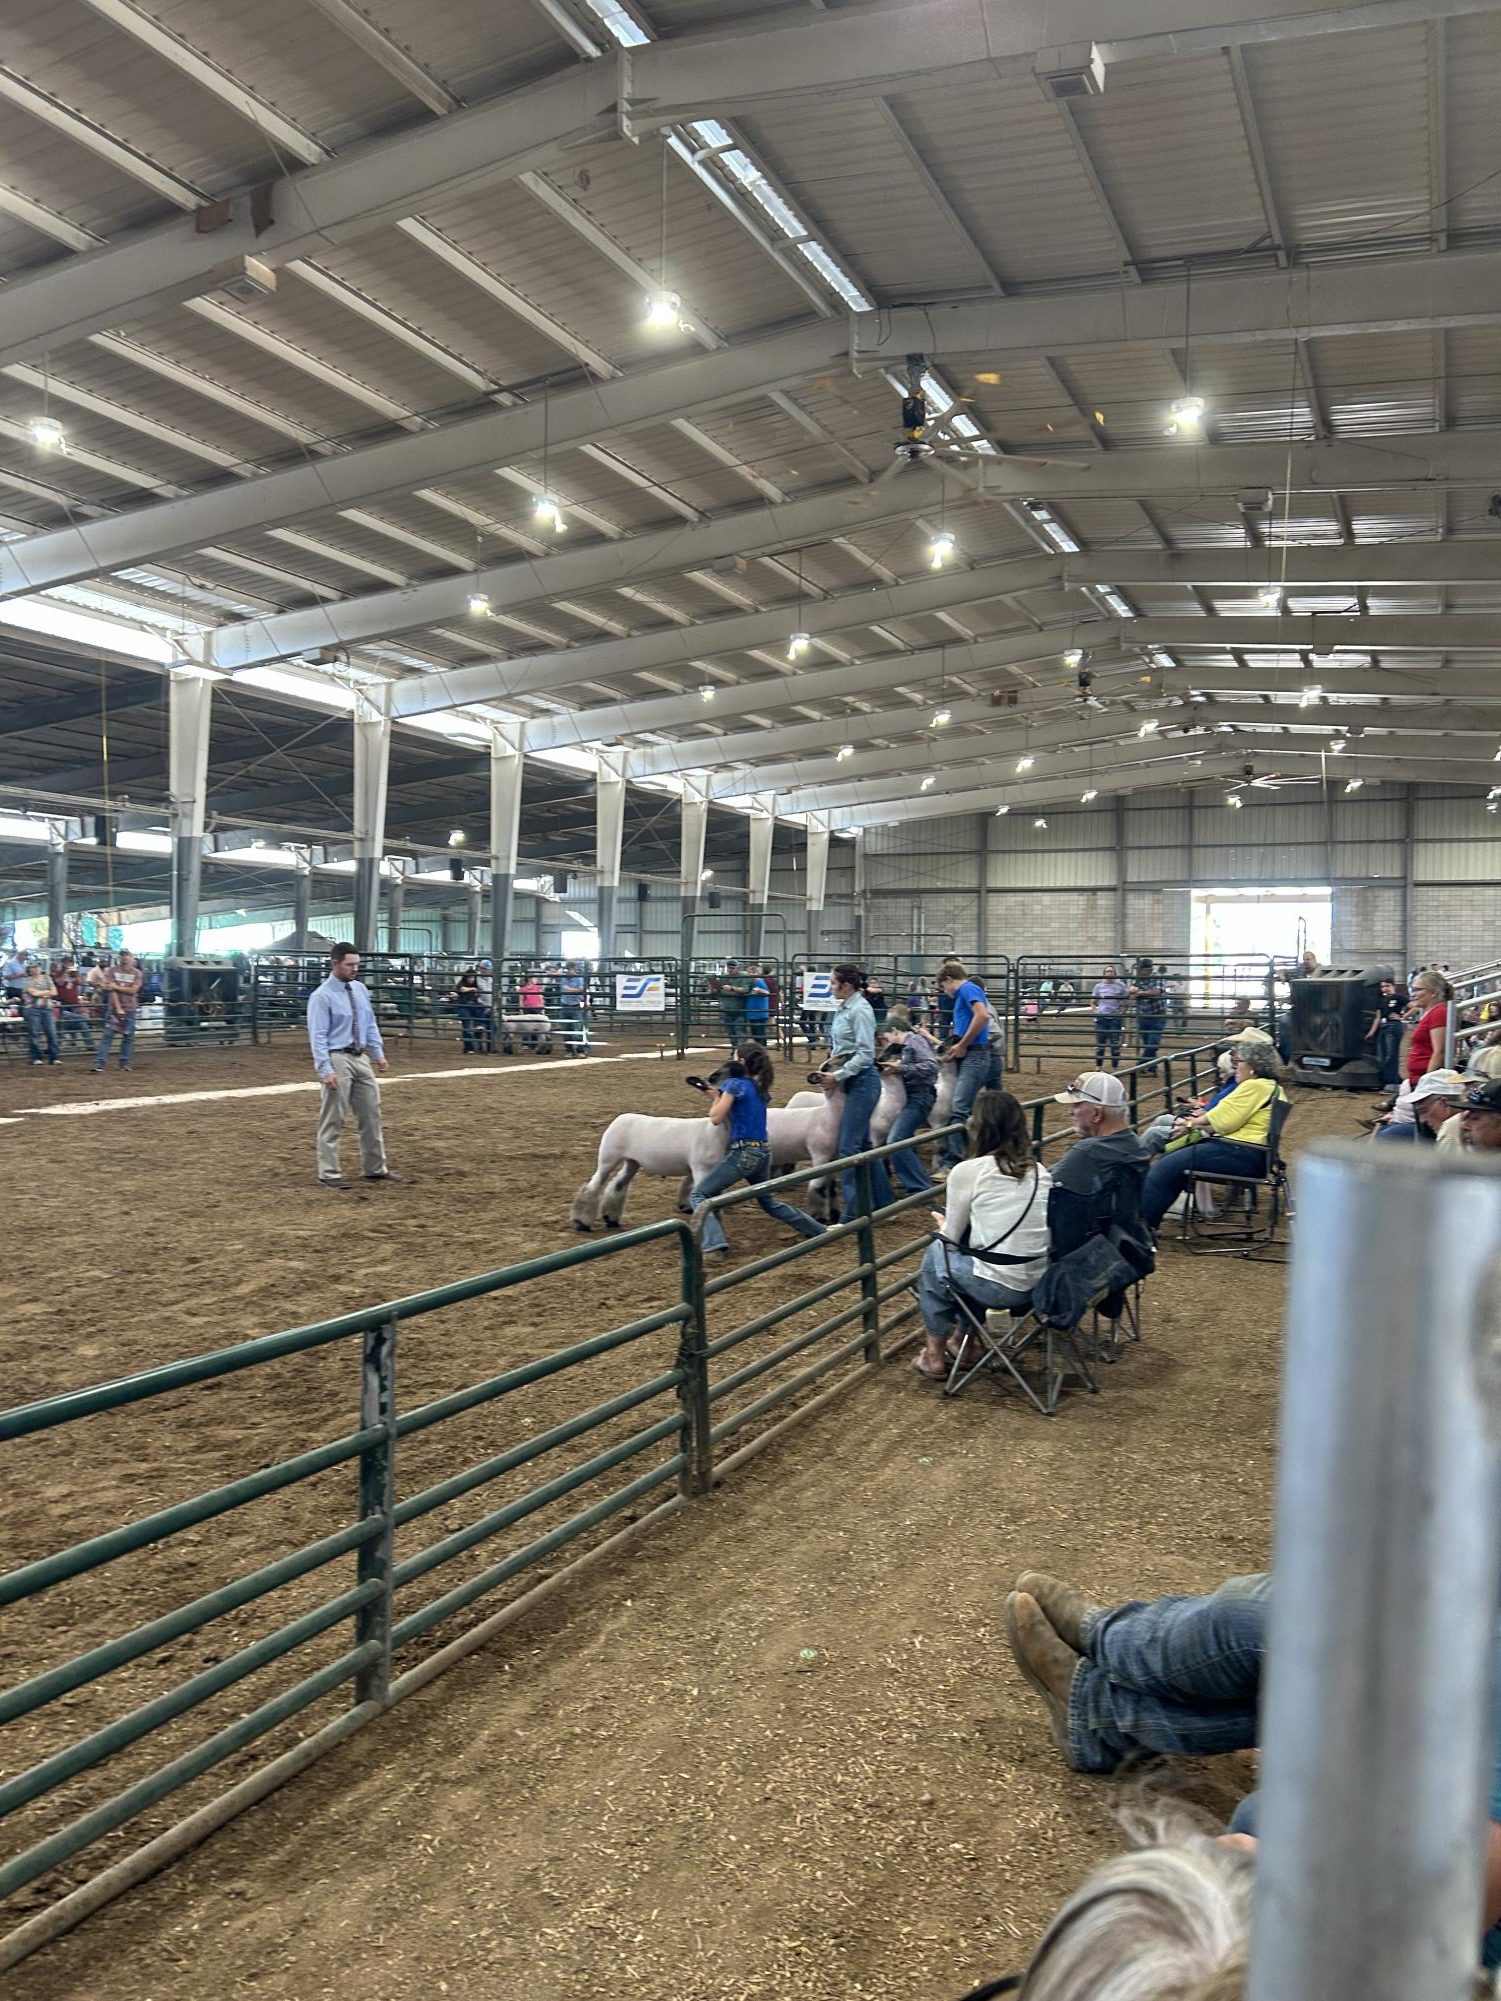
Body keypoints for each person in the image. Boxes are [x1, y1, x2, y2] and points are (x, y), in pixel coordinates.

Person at [912, 1088, 1052, 1379]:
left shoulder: (969, 1171)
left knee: (937, 1256)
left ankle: (934, 1356)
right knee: (971, 1261)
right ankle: (963, 1344)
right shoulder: (1041, 1172)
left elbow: (951, 1235)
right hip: (1039, 1285)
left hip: (1000, 1288)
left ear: (980, 1127)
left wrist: (942, 1225)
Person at [687, 1045, 826, 1257]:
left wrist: (717, 1098)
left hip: (744, 1153)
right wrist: (716, 1094)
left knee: (699, 1195)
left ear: (740, 1061)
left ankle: (713, 1245)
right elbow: (740, 1108)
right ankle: (816, 1230)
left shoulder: (734, 1084)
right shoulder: (758, 1087)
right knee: (769, 1202)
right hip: (763, 1152)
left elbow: (716, 1118)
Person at [1140, 1043, 1289, 1232]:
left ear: (1253, 1066)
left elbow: (1224, 1119)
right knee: (1172, 1164)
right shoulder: (1272, 1088)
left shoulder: (1254, 1086)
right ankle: (1148, 1223)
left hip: (1240, 1152)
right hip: (1252, 1154)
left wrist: (1189, 1124)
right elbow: (1231, 1119)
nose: (1235, 1067)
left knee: (1166, 1166)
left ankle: (1142, 1226)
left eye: (1239, 1062)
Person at [306, 943, 399, 1190]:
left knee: (371, 1113)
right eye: (350, 964)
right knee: (333, 1116)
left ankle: (375, 1168)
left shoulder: (359, 990)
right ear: (335, 963)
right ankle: (328, 1172)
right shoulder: (321, 996)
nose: (355, 969)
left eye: (357, 964)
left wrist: (378, 1053)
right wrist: (325, 1069)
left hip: (360, 1057)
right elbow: (318, 1036)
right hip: (337, 1056)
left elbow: (369, 1023)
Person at [1048, 1072, 1147, 1258]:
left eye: (1077, 1105)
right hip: (1119, 1250)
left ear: (1096, 1113)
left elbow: (1044, 1190)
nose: (1071, 1111)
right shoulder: (1137, 1146)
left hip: (1080, 1257)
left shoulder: (1086, 1153)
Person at [828, 964, 893, 1217]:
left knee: (848, 1147)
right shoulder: (847, 1008)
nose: (831, 987)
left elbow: (866, 1054)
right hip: (854, 1080)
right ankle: (884, 1203)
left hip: (862, 1080)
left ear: (846, 985)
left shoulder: (859, 1010)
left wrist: (837, 1075)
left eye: (833, 983)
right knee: (863, 1144)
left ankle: (854, 1213)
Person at [936, 960, 1002, 1171]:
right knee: (972, 1107)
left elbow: (982, 1016)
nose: (944, 991)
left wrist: (963, 1044)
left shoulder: (967, 989)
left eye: (942, 986)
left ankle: (952, 1163)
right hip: (975, 1054)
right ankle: (974, 1154)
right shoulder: (966, 992)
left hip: (975, 1054)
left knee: (959, 1108)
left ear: (948, 979)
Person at [879, 1011, 940, 1195]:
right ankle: (915, 1181)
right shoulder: (911, 1043)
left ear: (895, 1030)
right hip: (914, 1096)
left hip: (919, 1096)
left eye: (887, 1036)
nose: (888, 1041)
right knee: (901, 1138)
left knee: (896, 1139)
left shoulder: (914, 1041)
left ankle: (919, 1186)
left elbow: (931, 1066)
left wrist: (900, 1068)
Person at [1374, 1066, 1464, 1143]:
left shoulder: (1452, 1136)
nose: (1422, 1120)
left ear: (1444, 1104)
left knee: (1389, 1135)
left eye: (1424, 1111)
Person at [93, 950, 143, 1073]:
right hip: (116, 1008)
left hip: (129, 1007)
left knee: (127, 1037)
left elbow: (133, 990)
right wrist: (118, 1006)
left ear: (131, 958)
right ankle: (101, 1063)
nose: (125, 958)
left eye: (127, 956)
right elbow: (113, 989)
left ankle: (123, 1063)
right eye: (123, 956)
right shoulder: (112, 971)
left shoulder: (136, 973)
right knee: (108, 1036)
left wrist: (116, 987)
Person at [1405, 968, 1454, 1087]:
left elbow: (1439, 1052)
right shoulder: (1430, 1012)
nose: (1413, 994)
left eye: (1417, 990)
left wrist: (1426, 1082)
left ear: (1434, 992)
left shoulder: (1439, 1012)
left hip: (1425, 1079)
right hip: (1418, 1077)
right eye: (1413, 989)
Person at [1366, 975, 1408, 1090]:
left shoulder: (1399, 997)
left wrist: (1402, 1017)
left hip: (1393, 1026)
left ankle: (1392, 1083)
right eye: (1382, 986)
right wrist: (1371, 1032)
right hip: (1383, 1027)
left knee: (1391, 1055)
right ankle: (1393, 1080)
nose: (1384, 988)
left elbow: (1413, 1007)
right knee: (1383, 1056)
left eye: (1387, 986)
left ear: (1393, 986)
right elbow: (1377, 1018)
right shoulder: (1381, 1000)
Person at [1129, 957, 1167, 1075]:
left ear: (1149, 970)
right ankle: (1152, 1069)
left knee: (1152, 1044)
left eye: (1142, 970)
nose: (1139, 972)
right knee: (1149, 1044)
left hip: (1157, 1016)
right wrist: (1132, 990)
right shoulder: (1138, 980)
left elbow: (1156, 992)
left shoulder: (1158, 977)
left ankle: (1139, 1066)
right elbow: (1131, 991)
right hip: (1144, 1016)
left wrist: (1139, 993)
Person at [51, 961, 95, 1056]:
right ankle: (88, 1020)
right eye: (68, 964)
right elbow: (59, 982)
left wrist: (76, 973)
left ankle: (90, 1046)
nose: (70, 966)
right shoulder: (58, 973)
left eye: (71, 964)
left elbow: (81, 982)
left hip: (73, 1003)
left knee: (81, 1024)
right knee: (64, 1020)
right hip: (62, 1003)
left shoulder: (74, 973)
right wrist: (66, 972)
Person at [21, 959, 59, 1066]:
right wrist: (48, 993)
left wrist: (42, 993)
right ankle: (36, 1057)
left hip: (46, 1008)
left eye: (37, 966)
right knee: (34, 1033)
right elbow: (34, 993)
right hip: (33, 1009)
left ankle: (54, 1057)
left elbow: (55, 992)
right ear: (30, 969)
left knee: (51, 1033)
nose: (36, 969)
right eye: (33, 967)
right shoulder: (27, 981)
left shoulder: (47, 978)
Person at [1091, 964, 1128, 1069]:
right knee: (1100, 1045)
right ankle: (1098, 1067)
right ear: (1104, 974)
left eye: (1111, 971)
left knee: (1115, 1045)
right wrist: (1095, 1011)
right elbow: (1093, 1002)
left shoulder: (1120, 986)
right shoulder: (1098, 987)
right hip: (1101, 1018)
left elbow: (1126, 1002)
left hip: (1115, 1019)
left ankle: (1114, 1069)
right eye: (1107, 971)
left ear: (1114, 974)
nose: (1109, 973)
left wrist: (1122, 1013)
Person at [449, 966, 488, 1054]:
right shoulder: (462, 983)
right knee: (466, 1026)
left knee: (479, 1023)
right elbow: (462, 989)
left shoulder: (475, 985)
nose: (471, 979)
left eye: (473, 977)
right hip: (463, 1006)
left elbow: (478, 998)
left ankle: (478, 1044)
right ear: (466, 977)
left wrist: (478, 999)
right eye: (470, 977)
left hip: (472, 1006)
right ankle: (468, 1047)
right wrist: (473, 989)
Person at [716, 960, 747, 1051]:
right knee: (731, 1033)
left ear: (738, 968)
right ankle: (734, 1052)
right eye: (729, 968)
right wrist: (714, 987)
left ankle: (740, 1053)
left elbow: (745, 989)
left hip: (739, 1009)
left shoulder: (743, 977)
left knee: (739, 1033)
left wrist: (732, 988)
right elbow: (719, 990)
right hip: (726, 1009)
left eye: (733, 968)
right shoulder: (723, 978)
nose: (730, 970)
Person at [559, 961, 589, 1052]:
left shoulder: (579, 979)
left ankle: (580, 1050)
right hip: (565, 1005)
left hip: (575, 1006)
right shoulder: (564, 979)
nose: (568, 971)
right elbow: (578, 990)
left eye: (570, 969)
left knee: (578, 1029)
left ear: (574, 969)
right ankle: (569, 1050)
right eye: (567, 969)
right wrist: (574, 990)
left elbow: (581, 990)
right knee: (566, 1030)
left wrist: (570, 989)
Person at [743, 967, 771, 1044]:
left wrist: (759, 990)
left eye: (753, 972)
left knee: (759, 1035)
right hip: (754, 1013)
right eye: (749, 972)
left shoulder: (759, 982)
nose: (751, 974)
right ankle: (761, 1051)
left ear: (758, 973)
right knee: (756, 1035)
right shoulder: (752, 983)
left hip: (759, 1013)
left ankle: (762, 1051)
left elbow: (767, 992)